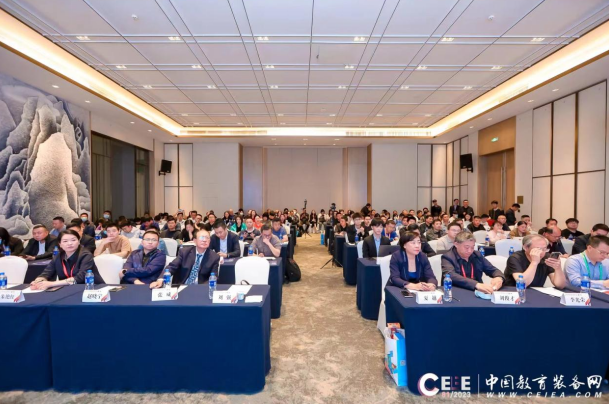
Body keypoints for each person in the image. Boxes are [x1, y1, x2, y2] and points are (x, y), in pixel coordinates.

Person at [30, 230, 103, 289]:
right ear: (60, 244)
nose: (70, 243)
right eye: (65, 241)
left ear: (78, 242)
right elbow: (47, 272)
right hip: (68, 289)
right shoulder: (58, 256)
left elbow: (81, 277)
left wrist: (52, 284)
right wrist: (38, 281)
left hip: (91, 288)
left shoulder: (86, 255)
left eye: (73, 240)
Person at [150, 229, 220, 288]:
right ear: (195, 240)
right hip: (181, 286)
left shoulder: (214, 257)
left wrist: (201, 288)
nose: (204, 240)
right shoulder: (184, 252)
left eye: (207, 238)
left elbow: (214, 277)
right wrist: (161, 279)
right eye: (202, 238)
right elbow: (172, 266)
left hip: (200, 288)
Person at [441, 231, 505, 293]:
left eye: (472, 247)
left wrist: (499, 277)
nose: (470, 251)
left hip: (478, 292)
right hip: (456, 292)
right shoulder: (447, 257)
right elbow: (451, 275)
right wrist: (476, 284)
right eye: (466, 247)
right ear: (456, 244)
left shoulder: (477, 255)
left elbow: (493, 270)